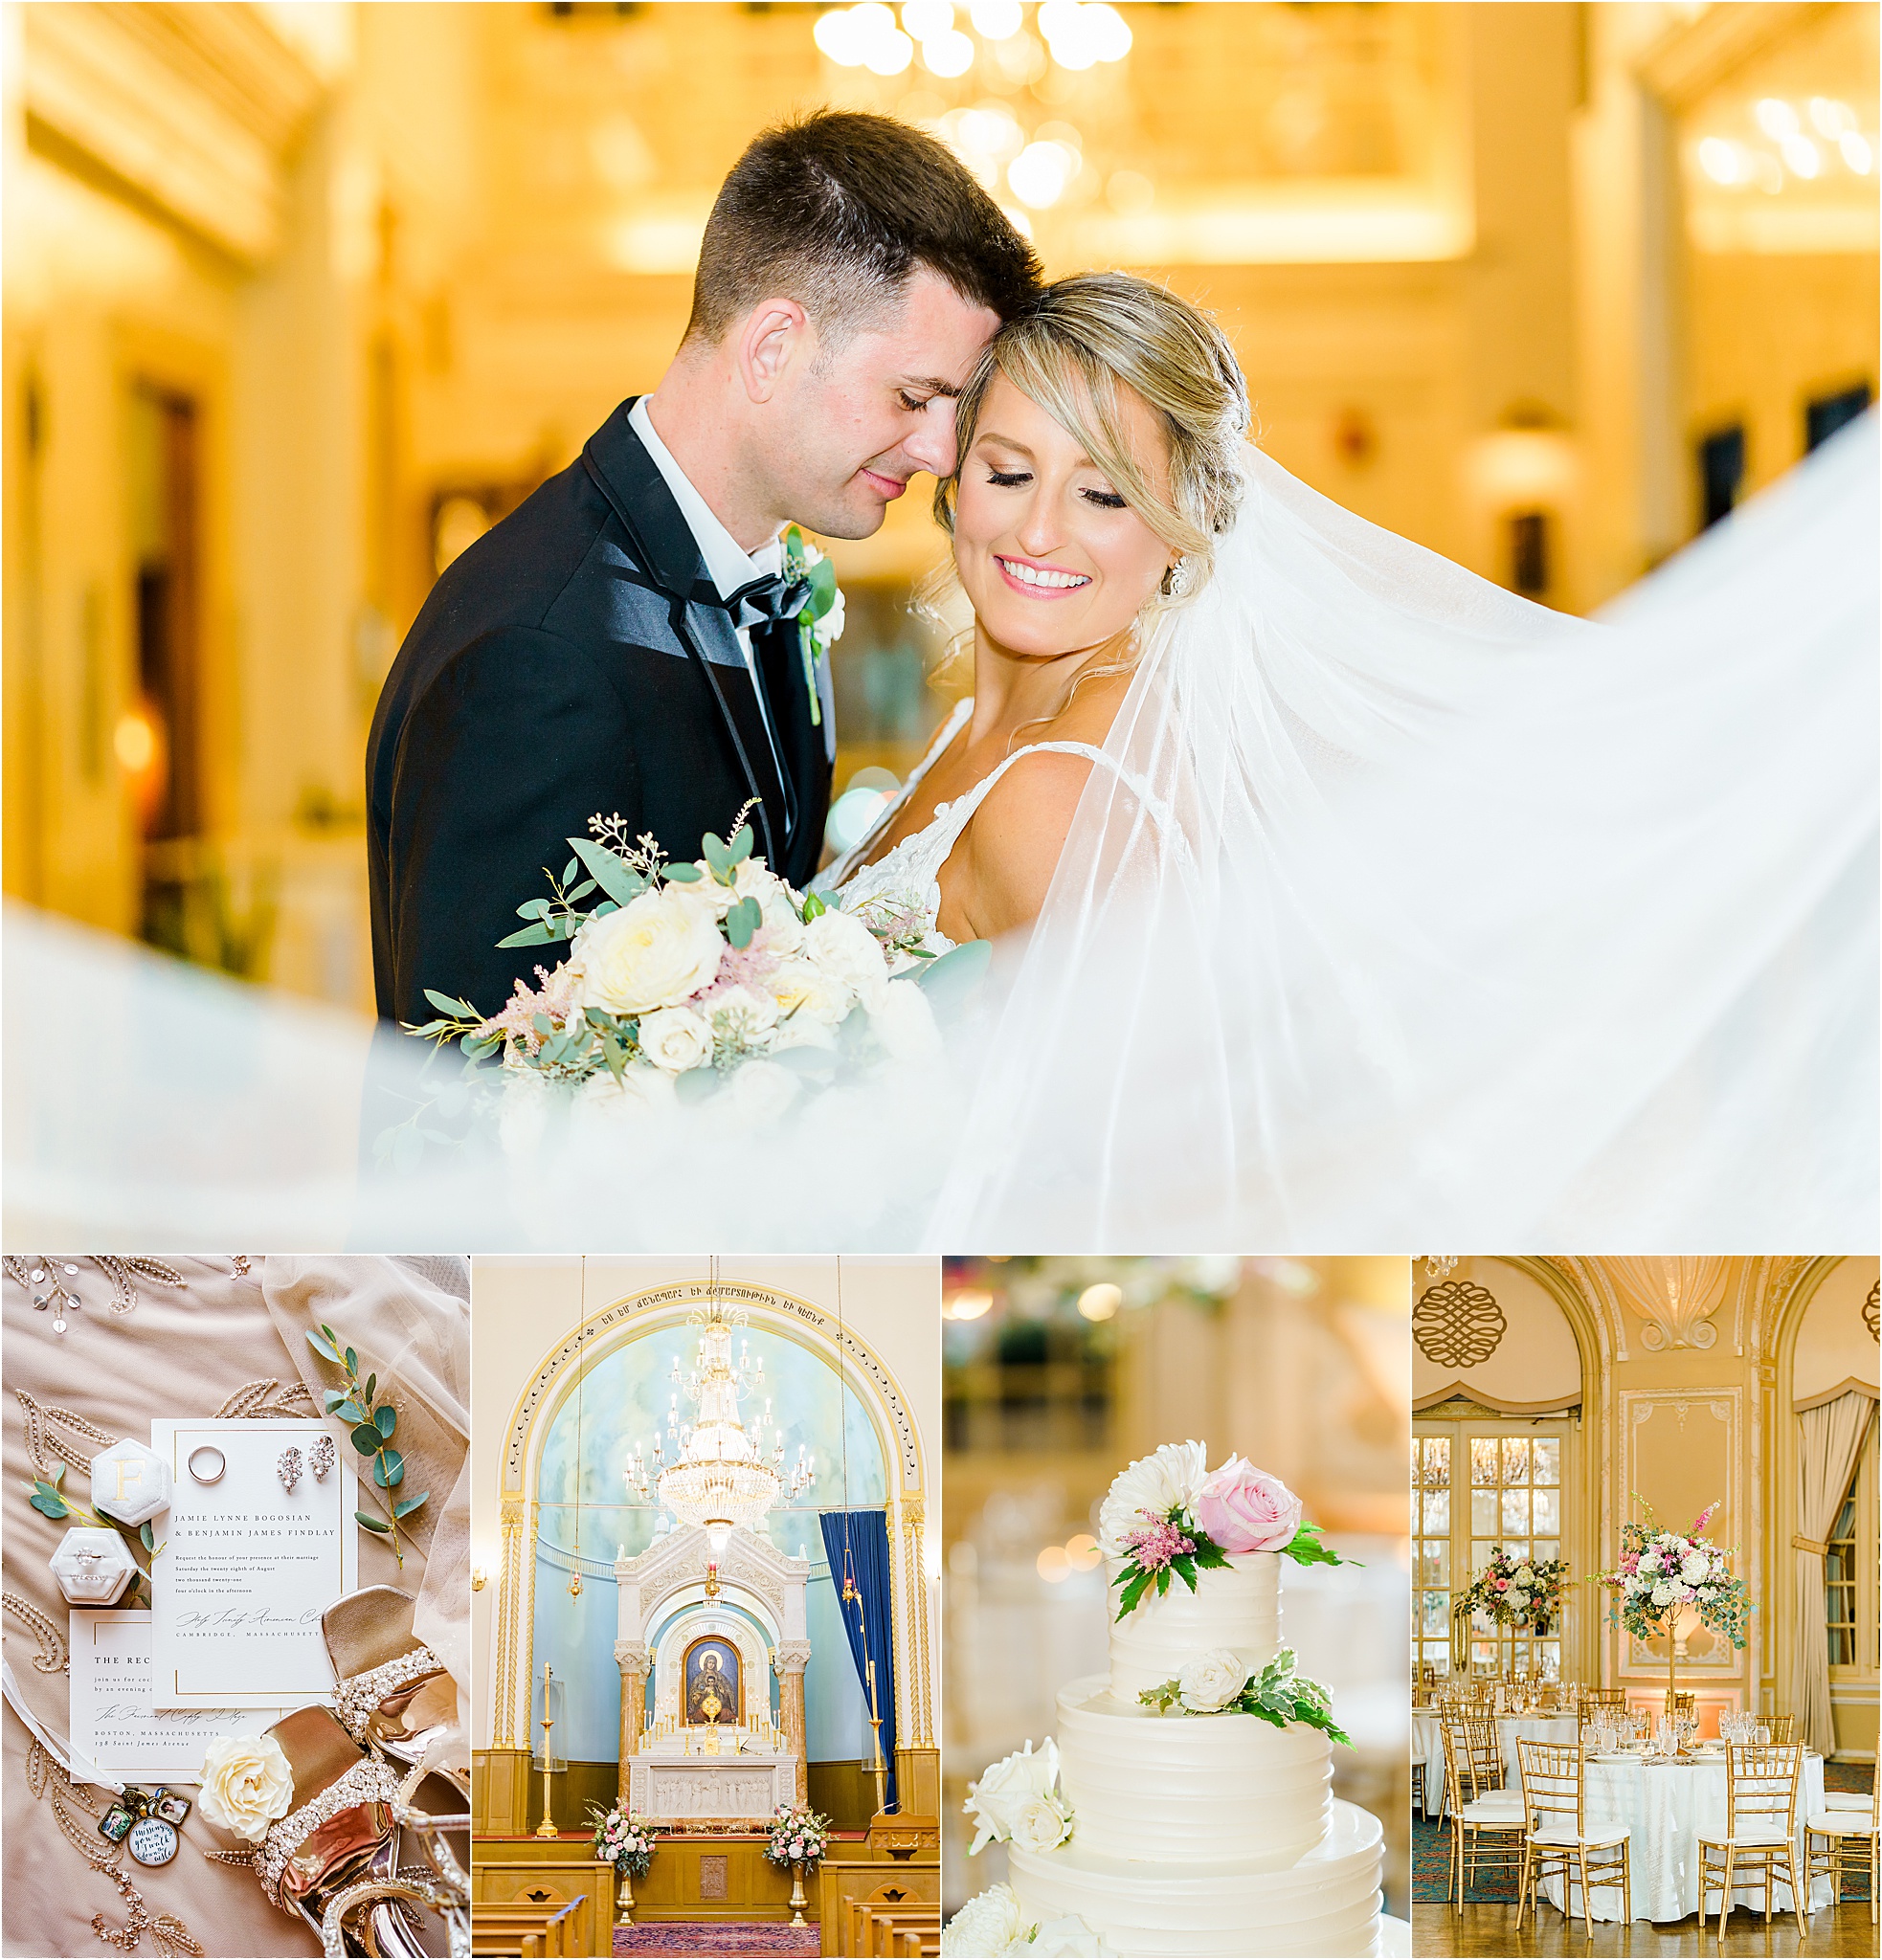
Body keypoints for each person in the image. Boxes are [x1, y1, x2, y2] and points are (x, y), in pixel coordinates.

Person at [367, 110, 1039, 1028]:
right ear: (772, 348)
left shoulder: (774, 584)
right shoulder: (537, 652)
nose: (939, 451)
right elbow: (471, 1096)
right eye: (915, 397)